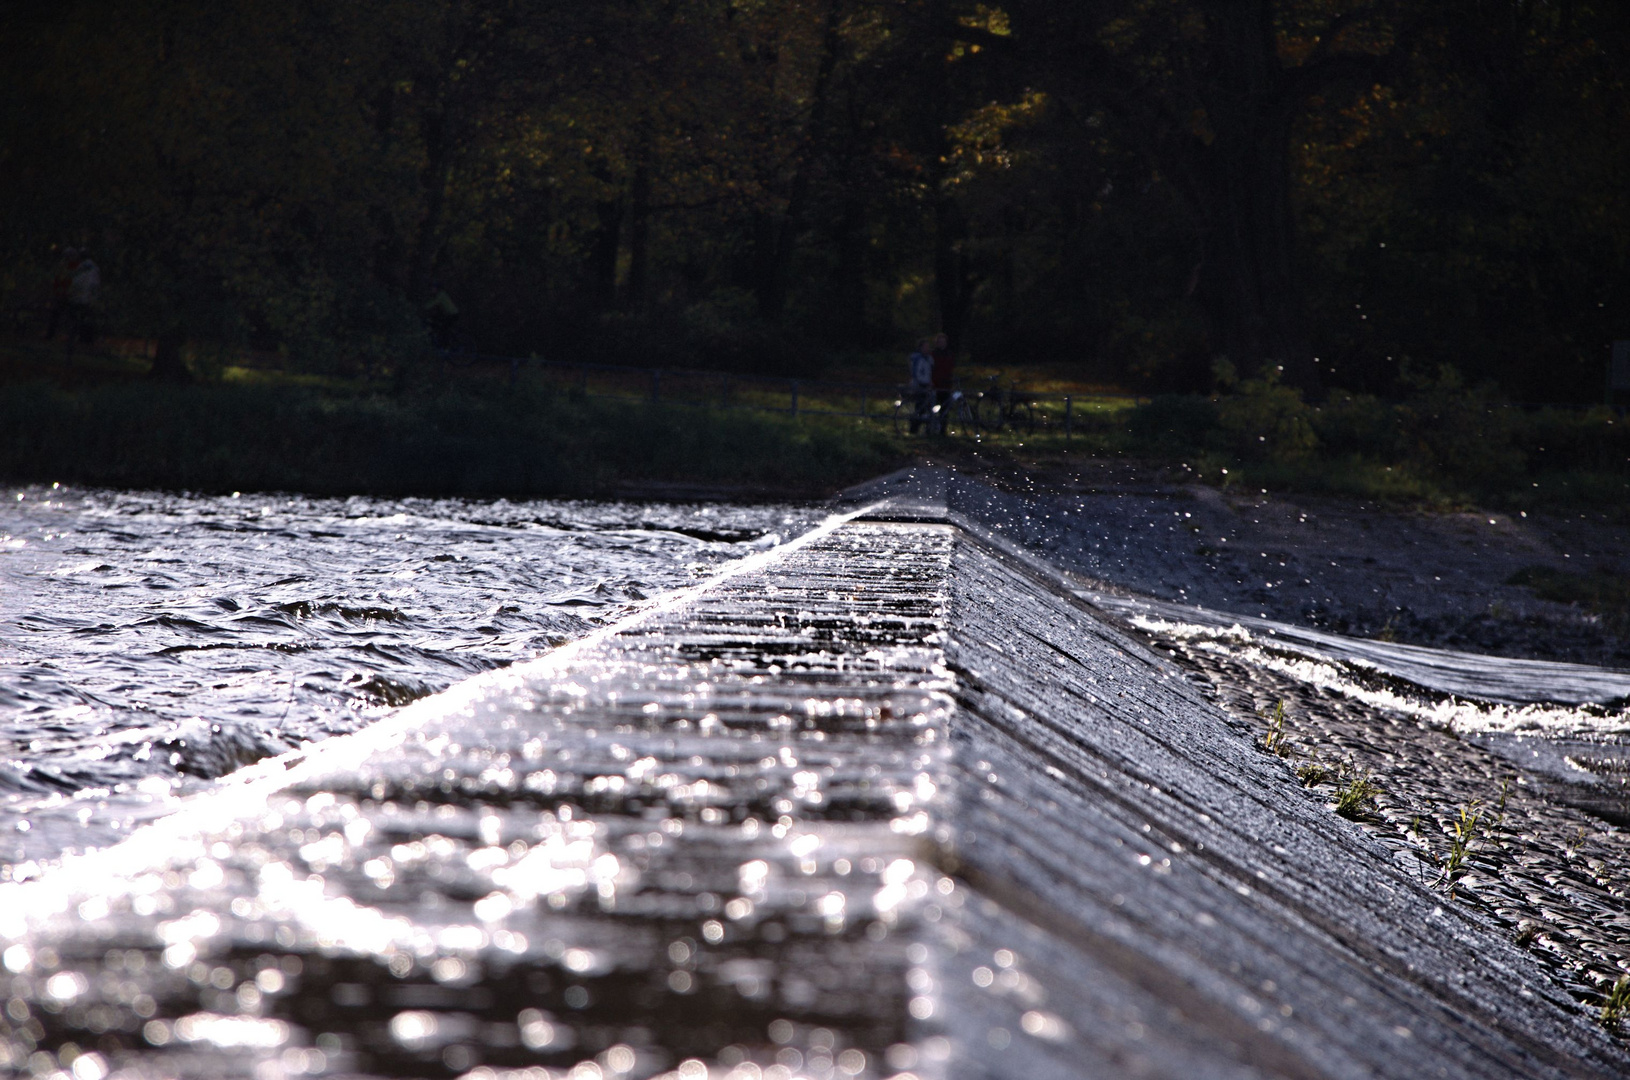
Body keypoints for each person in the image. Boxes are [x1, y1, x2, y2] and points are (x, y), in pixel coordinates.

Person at [65, 252, 100, 351]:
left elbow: (75, 282)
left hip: (79, 298)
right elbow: (94, 285)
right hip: (86, 299)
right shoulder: (92, 268)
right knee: (86, 319)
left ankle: (79, 338)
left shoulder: (81, 267)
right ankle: (85, 339)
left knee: (78, 318)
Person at [44, 248, 78, 341]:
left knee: (68, 316)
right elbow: (57, 280)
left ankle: (69, 335)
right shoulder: (63, 265)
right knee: (56, 314)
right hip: (61, 294)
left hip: (69, 294)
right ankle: (51, 334)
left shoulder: (74, 267)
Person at [906, 337, 935, 434]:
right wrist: (926, 382)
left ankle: (925, 429)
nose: (927, 349)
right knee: (920, 407)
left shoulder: (928, 359)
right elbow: (916, 374)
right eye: (925, 347)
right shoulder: (918, 359)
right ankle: (914, 429)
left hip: (925, 385)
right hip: (920, 385)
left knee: (925, 407)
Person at [929, 332, 953, 435]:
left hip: (946, 385)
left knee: (945, 409)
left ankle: (943, 429)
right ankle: (931, 428)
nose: (941, 343)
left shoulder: (949, 354)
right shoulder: (933, 354)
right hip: (935, 384)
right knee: (931, 408)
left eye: (943, 342)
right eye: (940, 342)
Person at [424, 282, 460, 348]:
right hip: (447, 314)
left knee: (444, 329)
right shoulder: (437, 295)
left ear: (437, 288)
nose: (431, 290)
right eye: (431, 288)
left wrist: (423, 307)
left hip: (453, 314)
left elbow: (434, 302)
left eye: (433, 288)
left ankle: (446, 347)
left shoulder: (441, 294)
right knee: (435, 322)